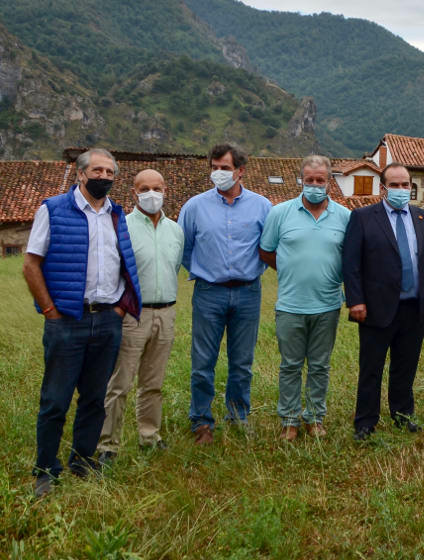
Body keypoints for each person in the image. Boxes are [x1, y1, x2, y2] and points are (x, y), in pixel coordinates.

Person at [23, 148, 141, 498]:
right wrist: (50, 312)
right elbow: (31, 264)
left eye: (109, 171)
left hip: (107, 321)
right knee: (55, 399)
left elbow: (124, 266)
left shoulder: (117, 215)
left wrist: (119, 310)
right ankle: (46, 469)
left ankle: (82, 460)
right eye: (97, 170)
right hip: (67, 322)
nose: (103, 176)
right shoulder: (54, 209)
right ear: (80, 173)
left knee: (94, 398)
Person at [178, 144, 271, 444]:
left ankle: (238, 416)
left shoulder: (261, 206)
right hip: (209, 293)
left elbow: (267, 247)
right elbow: (185, 248)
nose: (218, 173)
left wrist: (252, 273)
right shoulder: (194, 207)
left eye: (225, 168)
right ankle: (202, 421)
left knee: (242, 362)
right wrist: (204, 271)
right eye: (215, 167)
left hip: (247, 293)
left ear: (241, 170)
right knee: (203, 362)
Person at [342, 163, 424, 441]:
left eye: (405, 184)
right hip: (376, 307)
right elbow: (351, 263)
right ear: (383, 188)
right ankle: (365, 422)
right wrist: (355, 300)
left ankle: (403, 414)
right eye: (394, 185)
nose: (400, 190)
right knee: (371, 367)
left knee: (405, 366)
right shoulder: (363, 217)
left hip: (414, 307)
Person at [259, 155, 350, 441]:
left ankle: (315, 418)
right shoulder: (280, 213)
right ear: (301, 180)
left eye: (320, 180)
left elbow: (350, 257)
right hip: (290, 305)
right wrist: (289, 270)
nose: (314, 185)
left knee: (320, 366)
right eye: (309, 180)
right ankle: (289, 421)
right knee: (290, 365)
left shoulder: (345, 216)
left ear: (329, 182)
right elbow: (266, 251)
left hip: (327, 305)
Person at [97, 170, 183, 463]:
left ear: (165, 189)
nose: (151, 193)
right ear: (134, 192)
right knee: (119, 383)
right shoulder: (122, 227)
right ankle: (108, 444)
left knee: (153, 382)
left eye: (156, 188)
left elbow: (175, 268)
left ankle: (150, 436)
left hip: (166, 312)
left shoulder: (175, 230)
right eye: (144, 188)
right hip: (133, 314)